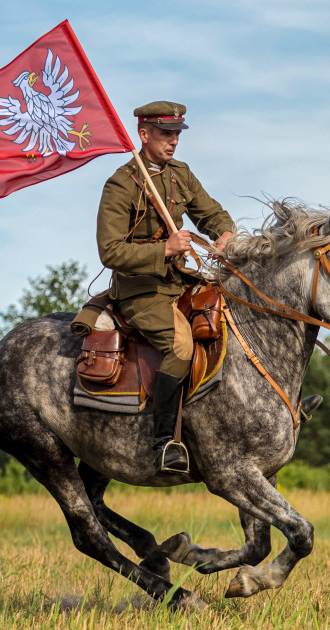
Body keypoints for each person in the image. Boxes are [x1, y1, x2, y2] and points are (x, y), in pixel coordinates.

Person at [96, 101, 235, 474]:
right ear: (144, 135)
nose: (174, 141)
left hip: (179, 282)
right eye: (166, 134)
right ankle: (164, 444)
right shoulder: (121, 184)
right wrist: (166, 249)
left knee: (235, 316)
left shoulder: (180, 174)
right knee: (181, 347)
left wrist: (224, 233)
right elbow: (109, 251)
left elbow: (211, 213)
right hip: (141, 291)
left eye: (177, 134)